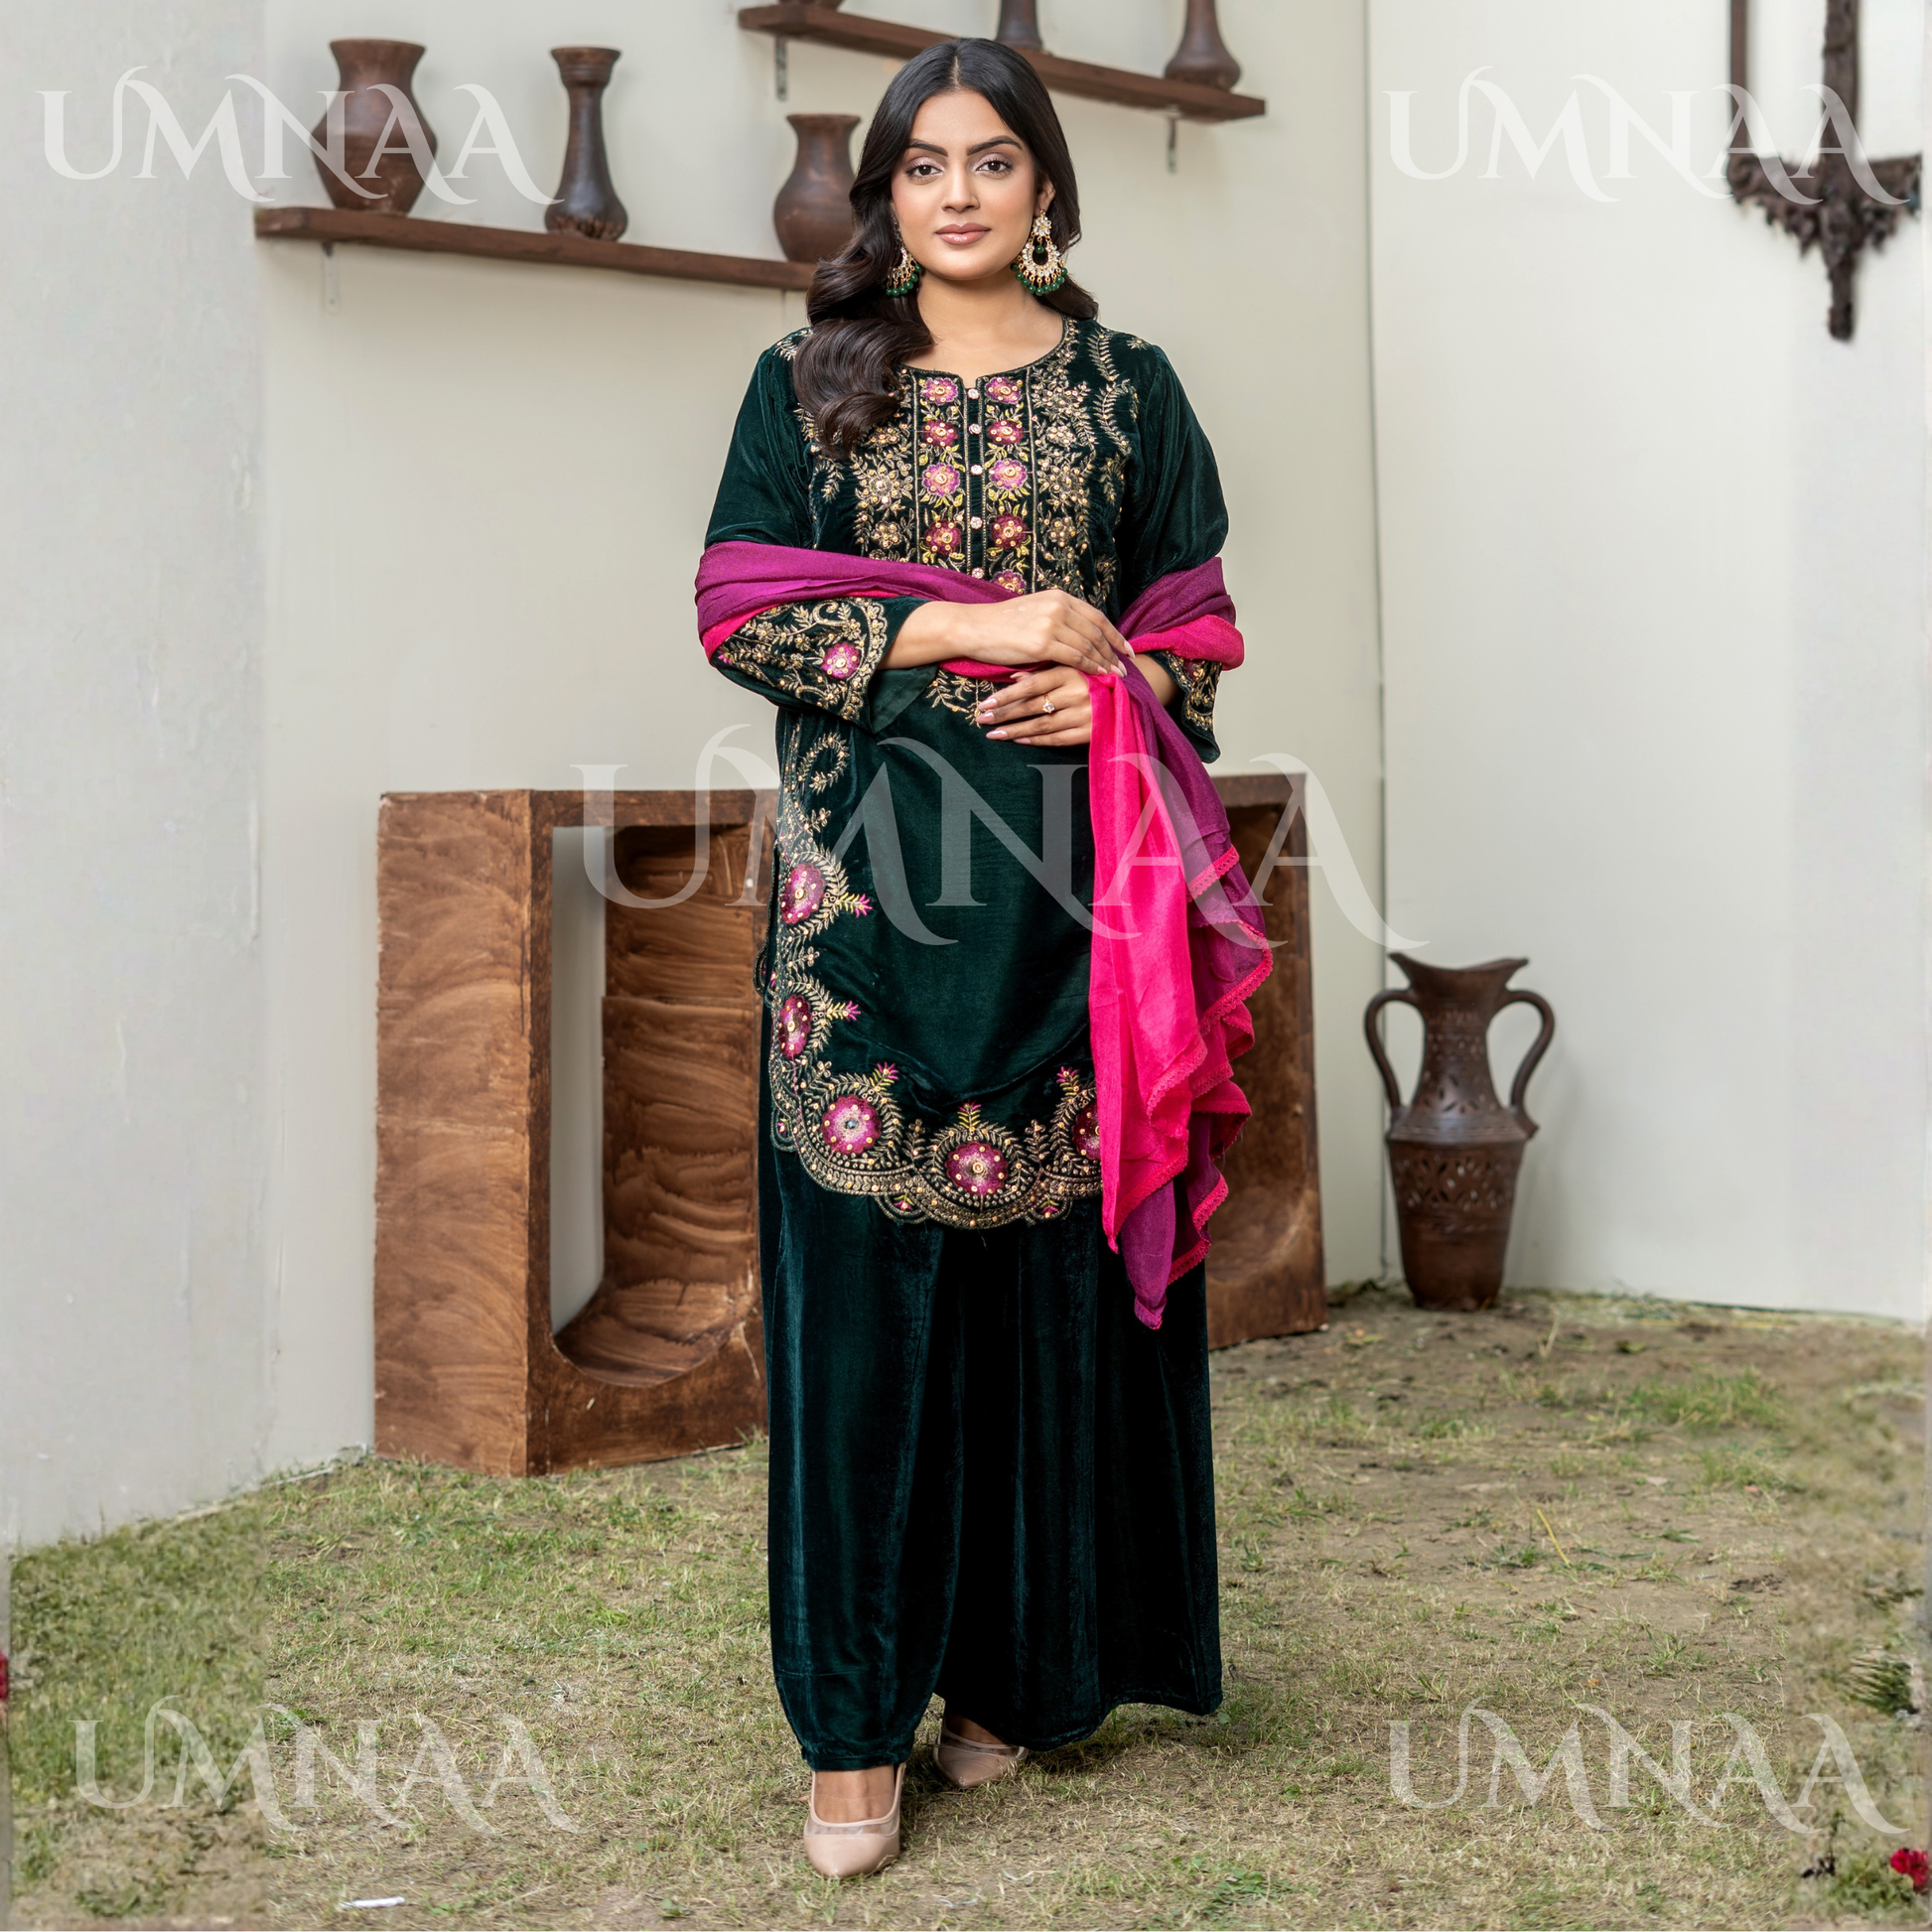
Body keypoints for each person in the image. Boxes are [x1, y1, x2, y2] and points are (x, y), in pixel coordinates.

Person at [694, 37, 1265, 1880]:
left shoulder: (1128, 388)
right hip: (864, 912)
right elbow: (738, 608)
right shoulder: (806, 383)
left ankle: (1012, 1680)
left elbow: (1195, 624)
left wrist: (1113, 678)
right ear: (884, 193)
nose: (957, 192)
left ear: (1044, 188)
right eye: (923, 164)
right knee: (861, 1320)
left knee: (1043, 1299)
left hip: (1077, 905)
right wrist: (975, 624)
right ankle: (853, 1729)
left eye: (992, 160)